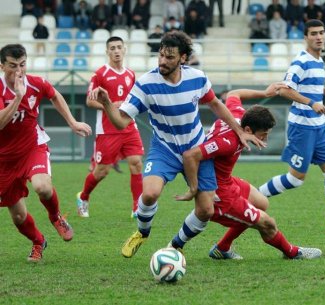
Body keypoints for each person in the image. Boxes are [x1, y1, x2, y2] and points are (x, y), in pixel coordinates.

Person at [89, 31, 263, 258]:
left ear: (183, 58)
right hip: (165, 149)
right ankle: (142, 232)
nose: (162, 61)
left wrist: (239, 130)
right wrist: (107, 103)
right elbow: (121, 121)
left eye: (169, 57)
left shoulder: (197, 78)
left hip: (197, 149)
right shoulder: (145, 84)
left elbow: (216, 104)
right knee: (150, 194)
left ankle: (175, 246)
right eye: (161, 55)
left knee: (206, 210)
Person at [175, 84, 322, 261]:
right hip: (219, 192)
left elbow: (234, 93)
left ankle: (222, 248)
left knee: (261, 202)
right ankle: (292, 252)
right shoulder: (228, 141)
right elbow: (191, 155)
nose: (265, 139)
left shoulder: (237, 115)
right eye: (263, 134)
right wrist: (194, 188)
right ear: (248, 131)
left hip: (227, 180)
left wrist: (264, 93)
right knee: (267, 224)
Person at [258, 20, 325, 232]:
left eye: (322, 32)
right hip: (302, 127)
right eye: (314, 33)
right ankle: (252, 196)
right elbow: (284, 90)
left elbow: (311, 86)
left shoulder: (318, 60)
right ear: (305, 37)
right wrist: (311, 103)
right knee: (295, 179)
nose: (319, 36)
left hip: (320, 127)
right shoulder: (300, 62)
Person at [0, 44, 92, 261]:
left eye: (22, 65)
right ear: (2, 66)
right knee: (19, 216)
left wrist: (72, 122)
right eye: (12, 66)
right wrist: (17, 98)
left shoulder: (35, 82)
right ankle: (38, 241)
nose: (19, 71)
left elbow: (54, 95)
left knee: (42, 187)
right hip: (4, 160)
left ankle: (56, 217)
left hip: (33, 147)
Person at [76, 37, 144, 218]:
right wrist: (111, 106)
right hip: (108, 130)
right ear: (107, 52)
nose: (116, 51)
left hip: (129, 126)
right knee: (102, 171)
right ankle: (83, 197)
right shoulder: (100, 74)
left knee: (136, 163)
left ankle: (137, 207)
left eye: (119, 47)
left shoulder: (131, 74)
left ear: (124, 50)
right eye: (112, 48)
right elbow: (90, 101)